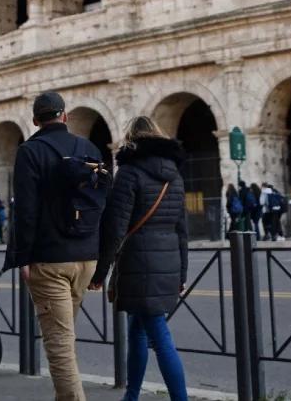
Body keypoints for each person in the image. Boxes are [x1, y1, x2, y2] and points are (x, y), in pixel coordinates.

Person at [4, 91, 108, 401]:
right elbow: (102, 201)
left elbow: (26, 210)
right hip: (86, 257)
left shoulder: (30, 151)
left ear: (35, 120)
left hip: (50, 260)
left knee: (60, 345)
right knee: (64, 337)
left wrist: (24, 257)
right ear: (65, 116)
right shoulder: (89, 147)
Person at [89, 117, 189, 401]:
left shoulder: (130, 173)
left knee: (159, 335)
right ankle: (131, 395)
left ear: (131, 139)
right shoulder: (176, 175)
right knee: (138, 330)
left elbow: (115, 228)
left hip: (138, 262)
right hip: (168, 261)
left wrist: (100, 273)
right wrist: (182, 273)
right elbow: (183, 231)